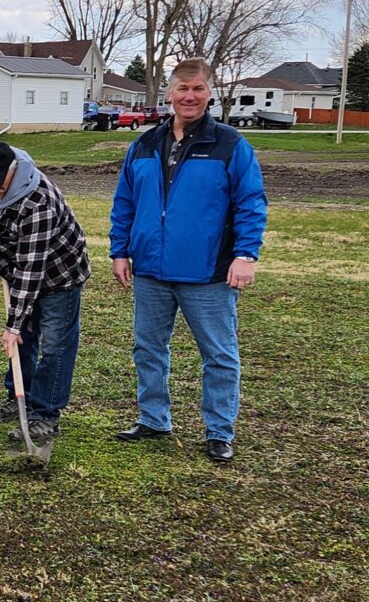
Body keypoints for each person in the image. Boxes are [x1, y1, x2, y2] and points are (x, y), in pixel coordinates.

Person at [109, 57, 267, 464]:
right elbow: (125, 201)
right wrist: (120, 249)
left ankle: (218, 431)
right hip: (150, 269)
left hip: (208, 272)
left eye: (197, 88)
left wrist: (245, 255)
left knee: (218, 354)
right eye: (182, 88)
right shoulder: (143, 145)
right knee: (148, 348)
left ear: (209, 92)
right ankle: (154, 418)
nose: (190, 96)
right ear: (169, 94)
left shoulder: (230, 145)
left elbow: (250, 203)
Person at [0, 140, 90, 447]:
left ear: (13, 170)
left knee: (54, 345)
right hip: (19, 271)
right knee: (22, 339)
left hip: (58, 276)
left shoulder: (37, 202)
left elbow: (31, 268)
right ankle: (18, 397)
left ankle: (45, 414)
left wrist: (12, 324)